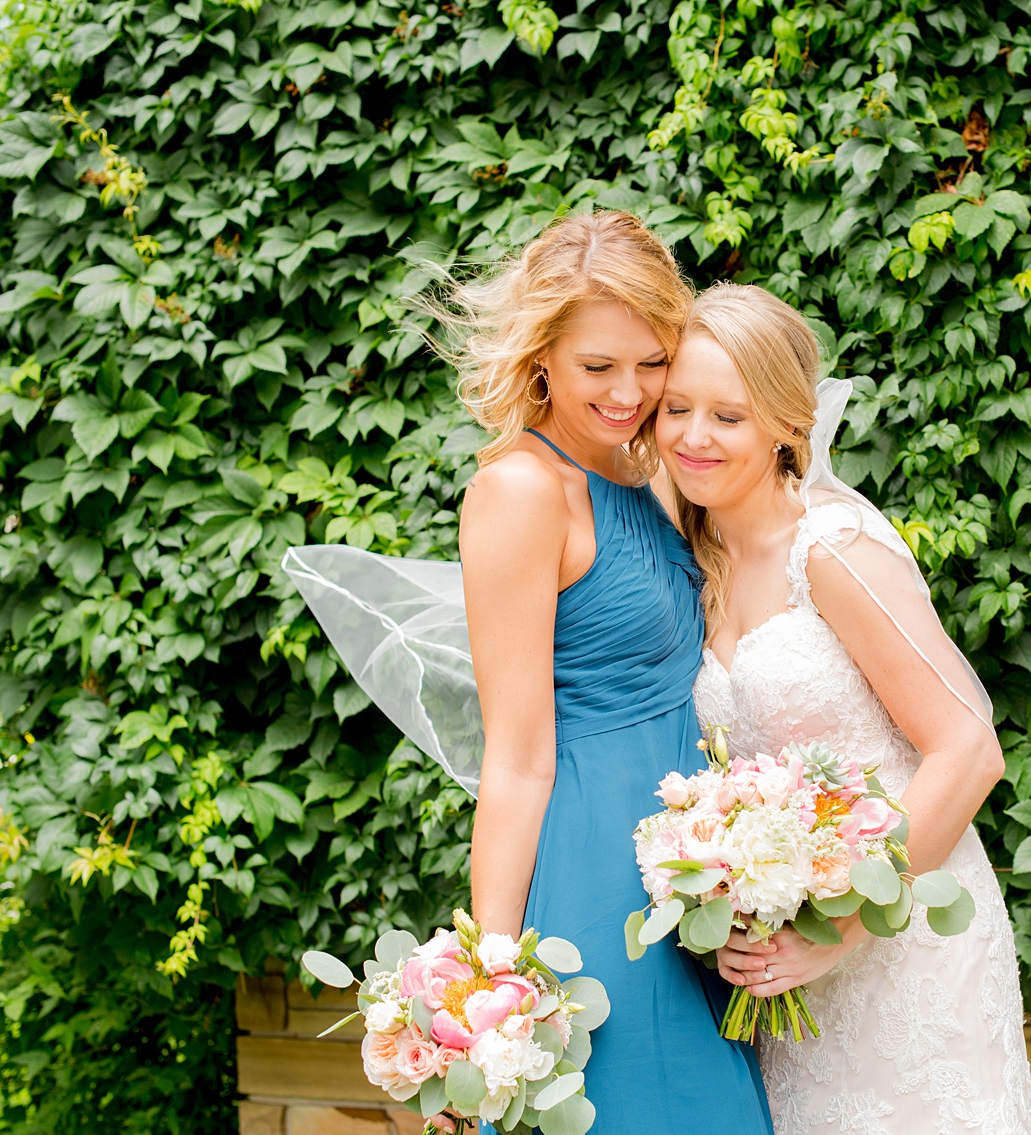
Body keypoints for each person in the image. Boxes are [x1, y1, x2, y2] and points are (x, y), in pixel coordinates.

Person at [293, 212, 773, 1134]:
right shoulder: (520, 490)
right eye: (599, 367)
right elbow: (514, 758)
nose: (630, 391)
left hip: (692, 870)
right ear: (542, 353)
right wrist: (494, 980)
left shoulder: (648, 471)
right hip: (599, 868)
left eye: (651, 360)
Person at [656, 282, 1031, 1134]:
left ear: (788, 424)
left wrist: (844, 933)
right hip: (786, 961)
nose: (692, 436)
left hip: (905, 947)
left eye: (729, 414)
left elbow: (969, 750)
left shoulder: (830, 549)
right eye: (676, 407)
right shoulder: (694, 556)